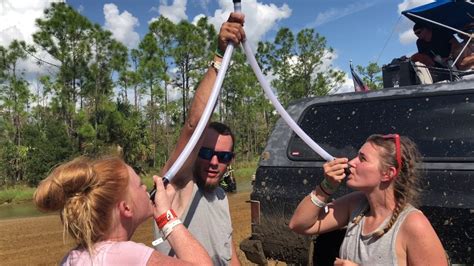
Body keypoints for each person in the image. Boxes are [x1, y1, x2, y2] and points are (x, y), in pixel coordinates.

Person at [152, 13, 245, 265]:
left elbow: (229, 251)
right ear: (194, 153)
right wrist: (219, 56)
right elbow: (194, 126)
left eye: (223, 156)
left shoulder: (221, 197)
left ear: (230, 160)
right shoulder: (178, 185)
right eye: (206, 153)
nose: (214, 162)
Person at [289, 134, 448, 265]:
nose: (351, 163)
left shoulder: (413, 224)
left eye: (362, 159)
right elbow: (299, 224)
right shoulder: (356, 205)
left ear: (387, 173)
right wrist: (326, 187)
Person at [33, 156, 212, 265]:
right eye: (140, 184)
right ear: (126, 207)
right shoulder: (126, 256)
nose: (145, 188)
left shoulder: (70, 259)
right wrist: (167, 217)